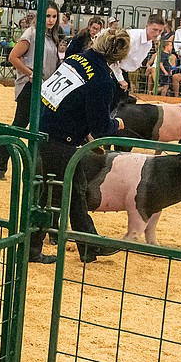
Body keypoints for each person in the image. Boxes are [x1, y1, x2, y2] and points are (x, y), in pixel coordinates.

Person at [30, 27, 132, 265]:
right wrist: (116, 124)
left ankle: (89, 245)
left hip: (43, 125)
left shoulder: (75, 58)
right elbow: (99, 126)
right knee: (52, 195)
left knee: (75, 189)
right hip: (60, 138)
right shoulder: (102, 81)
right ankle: (34, 249)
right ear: (119, 57)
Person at [0, 5, 63, 181]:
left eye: (54, 16)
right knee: (19, 126)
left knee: (36, 127)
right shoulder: (31, 33)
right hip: (30, 87)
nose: (51, 20)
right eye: (47, 16)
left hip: (45, 89)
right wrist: (31, 74)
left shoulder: (52, 37)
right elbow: (13, 57)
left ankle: (34, 169)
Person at [111, 14, 166, 100]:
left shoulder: (149, 43)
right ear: (147, 25)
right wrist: (120, 79)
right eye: (154, 30)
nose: (157, 34)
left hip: (124, 72)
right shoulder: (132, 38)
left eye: (160, 31)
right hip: (112, 71)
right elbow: (113, 59)